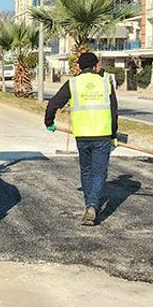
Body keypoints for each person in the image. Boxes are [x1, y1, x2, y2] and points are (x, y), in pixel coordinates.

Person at [44, 52, 119, 226]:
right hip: (102, 134)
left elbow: (54, 103)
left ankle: (89, 206)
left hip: (82, 135)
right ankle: (93, 205)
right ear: (95, 66)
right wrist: (114, 134)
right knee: (100, 172)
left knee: (86, 170)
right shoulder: (105, 82)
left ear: (79, 67)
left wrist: (49, 121)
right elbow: (113, 111)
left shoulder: (73, 83)